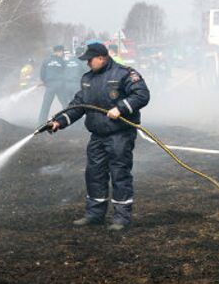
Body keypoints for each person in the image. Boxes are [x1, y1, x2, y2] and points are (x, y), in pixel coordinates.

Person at [48, 43, 150, 231]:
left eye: (90, 60)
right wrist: (59, 121)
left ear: (101, 58)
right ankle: (95, 214)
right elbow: (78, 104)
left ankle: (121, 218)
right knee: (94, 174)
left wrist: (120, 108)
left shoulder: (124, 74)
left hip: (119, 134)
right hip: (97, 135)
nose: (87, 64)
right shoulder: (88, 79)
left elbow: (142, 95)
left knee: (120, 174)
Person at [38, 45, 68, 124]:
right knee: (65, 103)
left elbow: (42, 73)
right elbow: (66, 73)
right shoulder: (62, 61)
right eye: (62, 52)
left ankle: (41, 122)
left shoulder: (46, 60)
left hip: (50, 85)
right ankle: (69, 120)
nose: (63, 53)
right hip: (60, 86)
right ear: (58, 51)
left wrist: (44, 81)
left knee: (46, 105)